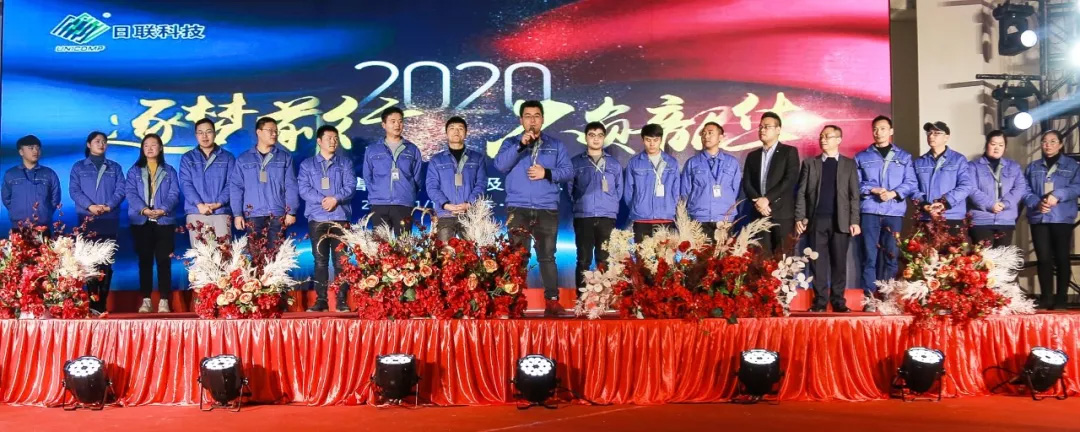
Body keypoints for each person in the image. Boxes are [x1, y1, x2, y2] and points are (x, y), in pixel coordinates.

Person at [493, 100, 573, 316]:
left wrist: (547, 173)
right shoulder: (511, 143)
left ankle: (552, 301)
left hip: (546, 208)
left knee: (547, 257)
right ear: (521, 120)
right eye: (528, 116)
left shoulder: (556, 145)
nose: (532, 120)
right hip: (518, 208)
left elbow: (568, 172)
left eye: (536, 116)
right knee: (517, 257)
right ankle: (514, 302)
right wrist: (520, 145)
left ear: (542, 119)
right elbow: (500, 165)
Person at [794, 126, 860, 312]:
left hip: (841, 221)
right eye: (821, 136)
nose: (823, 140)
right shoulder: (810, 163)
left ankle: (838, 302)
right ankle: (820, 302)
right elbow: (801, 193)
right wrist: (800, 217)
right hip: (816, 220)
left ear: (838, 140)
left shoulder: (849, 164)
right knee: (818, 264)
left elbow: (854, 195)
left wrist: (854, 220)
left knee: (839, 264)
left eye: (827, 136)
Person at [853, 115, 916, 311]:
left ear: (891, 131)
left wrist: (893, 193)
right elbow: (855, 183)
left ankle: (888, 297)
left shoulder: (904, 157)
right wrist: (873, 189)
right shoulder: (862, 157)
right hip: (870, 210)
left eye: (882, 128)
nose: (878, 132)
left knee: (891, 255)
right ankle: (870, 299)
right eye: (875, 129)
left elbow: (911, 183)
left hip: (893, 212)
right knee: (869, 256)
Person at [299, 125, 355, 313]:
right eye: (329, 138)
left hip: (340, 217)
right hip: (317, 217)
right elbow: (304, 189)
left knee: (341, 262)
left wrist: (335, 199)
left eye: (335, 138)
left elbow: (350, 186)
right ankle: (321, 300)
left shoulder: (345, 163)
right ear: (319, 141)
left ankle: (341, 301)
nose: (333, 141)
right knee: (320, 262)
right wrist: (323, 200)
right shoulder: (307, 164)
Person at [69, 131, 126, 313]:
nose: (101, 144)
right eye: (97, 141)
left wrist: (108, 206)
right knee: (89, 262)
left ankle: (102, 303)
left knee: (106, 262)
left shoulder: (114, 167)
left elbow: (121, 190)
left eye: (104, 141)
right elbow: (74, 191)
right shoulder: (79, 167)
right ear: (88, 144)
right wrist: (90, 206)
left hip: (109, 219)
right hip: (87, 219)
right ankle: (93, 303)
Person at [1023, 130, 1080, 310]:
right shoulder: (1033, 167)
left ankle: (1061, 298)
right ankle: (1046, 297)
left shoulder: (1072, 165)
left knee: (1062, 257)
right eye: (1044, 141)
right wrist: (1036, 203)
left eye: (1053, 141)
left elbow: (1077, 187)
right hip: (1039, 217)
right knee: (1043, 258)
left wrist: (1057, 195)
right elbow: (1025, 190)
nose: (1048, 145)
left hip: (1061, 217)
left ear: (1060, 144)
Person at [126, 134, 180, 313]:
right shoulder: (134, 171)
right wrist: (143, 209)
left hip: (164, 220)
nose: (149, 148)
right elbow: (130, 193)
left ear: (161, 148)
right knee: (145, 261)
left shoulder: (169, 171)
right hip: (141, 221)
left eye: (153, 145)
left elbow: (174, 194)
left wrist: (163, 209)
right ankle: (146, 300)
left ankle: (164, 300)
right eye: (146, 145)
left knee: (164, 261)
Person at [568, 122, 623, 291]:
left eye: (600, 135)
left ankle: (603, 298)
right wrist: (580, 203)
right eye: (592, 135)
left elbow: (619, 190)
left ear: (604, 138)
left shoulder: (613, 164)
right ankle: (581, 299)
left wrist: (609, 205)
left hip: (606, 217)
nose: (596, 139)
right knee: (583, 260)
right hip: (584, 216)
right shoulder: (576, 162)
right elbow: (569, 189)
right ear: (586, 138)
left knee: (604, 259)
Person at [229, 117, 299, 246]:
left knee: (278, 255)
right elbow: (236, 187)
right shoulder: (243, 159)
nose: (274, 134)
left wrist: (291, 211)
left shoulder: (284, 157)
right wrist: (237, 214)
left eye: (276, 131)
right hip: (253, 214)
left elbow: (291, 186)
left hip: (277, 214)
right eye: (270, 130)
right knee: (256, 254)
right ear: (259, 132)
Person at [741, 112, 800, 255]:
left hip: (782, 214)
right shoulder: (752, 156)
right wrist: (759, 202)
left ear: (778, 130)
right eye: (760, 127)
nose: (762, 130)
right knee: (761, 259)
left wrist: (767, 199)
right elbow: (747, 183)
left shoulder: (789, 152)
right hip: (758, 213)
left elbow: (790, 179)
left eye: (767, 127)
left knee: (784, 258)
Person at [362, 106, 423, 235]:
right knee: (381, 244)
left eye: (400, 121)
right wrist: (377, 192)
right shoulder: (372, 149)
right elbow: (367, 176)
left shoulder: (412, 149)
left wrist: (407, 192)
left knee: (404, 244)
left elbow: (417, 177)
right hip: (379, 204)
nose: (397, 125)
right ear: (383, 124)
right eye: (393, 121)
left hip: (404, 204)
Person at [426, 116, 487, 242]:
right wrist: (446, 205)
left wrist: (469, 204)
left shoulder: (477, 158)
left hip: (469, 214)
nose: (456, 131)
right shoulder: (436, 160)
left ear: (466, 132)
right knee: (445, 252)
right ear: (446, 133)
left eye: (460, 128)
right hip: (445, 214)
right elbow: (432, 186)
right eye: (452, 128)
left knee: (470, 252)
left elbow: (481, 184)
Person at [180, 118, 236, 246]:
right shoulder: (187, 158)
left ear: (215, 134)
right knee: (201, 255)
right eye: (200, 132)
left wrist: (218, 204)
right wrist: (200, 205)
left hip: (221, 212)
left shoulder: (228, 157)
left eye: (208, 132)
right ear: (196, 135)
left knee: (224, 254)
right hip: (196, 211)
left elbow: (231, 184)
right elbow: (186, 184)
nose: (204, 136)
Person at [913, 121, 975, 235]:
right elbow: (913, 188)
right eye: (929, 133)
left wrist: (944, 203)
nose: (931, 136)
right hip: (927, 217)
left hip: (952, 216)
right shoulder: (919, 162)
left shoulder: (958, 159)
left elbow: (966, 186)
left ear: (946, 137)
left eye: (936, 133)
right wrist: (924, 205)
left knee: (953, 247)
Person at [680, 122, 741, 236]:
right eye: (703, 134)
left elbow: (736, 191)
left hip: (724, 218)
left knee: (725, 248)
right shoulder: (692, 163)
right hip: (699, 218)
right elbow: (685, 191)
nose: (706, 136)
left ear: (720, 137)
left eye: (710, 133)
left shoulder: (732, 162)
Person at [968, 130, 1027, 247]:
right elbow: (971, 189)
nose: (997, 148)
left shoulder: (1013, 166)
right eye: (993, 144)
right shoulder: (973, 166)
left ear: (1005, 148)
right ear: (986, 145)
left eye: (1001, 145)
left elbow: (1020, 187)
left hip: (1006, 219)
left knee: (1003, 257)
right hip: (981, 220)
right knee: (984, 257)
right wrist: (990, 205)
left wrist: (1005, 204)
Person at [624, 124, 680, 242]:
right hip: (641, 218)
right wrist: (638, 206)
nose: (652, 144)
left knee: (665, 254)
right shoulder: (634, 162)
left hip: (665, 217)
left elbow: (676, 191)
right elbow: (628, 192)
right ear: (643, 140)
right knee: (642, 253)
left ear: (661, 140)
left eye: (655, 140)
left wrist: (669, 207)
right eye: (648, 140)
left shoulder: (671, 162)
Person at [2, 135, 61, 229]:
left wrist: (46, 212)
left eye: (38, 148)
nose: (35, 151)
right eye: (31, 148)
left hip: (43, 227)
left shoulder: (49, 173)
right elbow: (6, 199)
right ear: (21, 152)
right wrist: (16, 212)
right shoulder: (11, 174)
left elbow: (55, 198)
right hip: (19, 226)